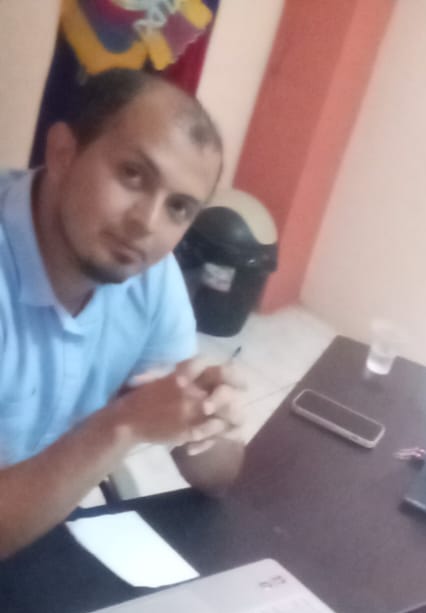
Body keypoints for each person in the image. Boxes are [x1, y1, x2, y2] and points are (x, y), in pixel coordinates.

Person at [0, 68, 244, 560]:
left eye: (179, 208)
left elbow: (219, 478)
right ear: (63, 153)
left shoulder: (149, 274)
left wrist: (209, 417)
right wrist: (123, 423)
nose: (146, 224)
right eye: (133, 175)